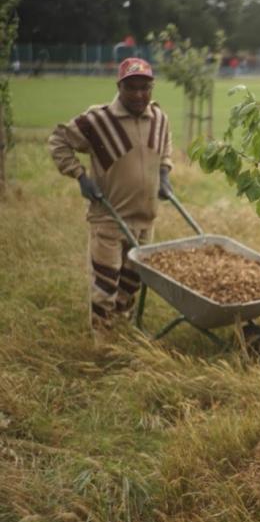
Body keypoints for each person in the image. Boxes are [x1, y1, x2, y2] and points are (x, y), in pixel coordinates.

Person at [48, 57, 174, 335]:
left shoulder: (159, 118)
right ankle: (102, 346)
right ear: (119, 87)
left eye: (146, 87)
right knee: (106, 284)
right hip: (108, 218)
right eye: (132, 88)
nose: (140, 94)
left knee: (131, 283)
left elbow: (165, 146)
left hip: (145, 220)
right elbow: (59, 141)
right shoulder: (99, 119)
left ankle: (122, 333)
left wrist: (164, 174)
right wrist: (80, 175)